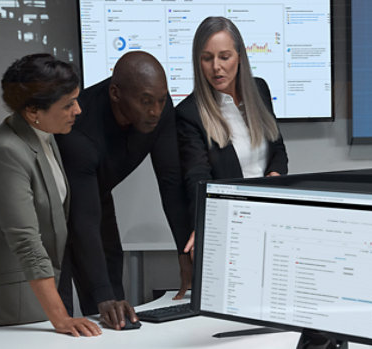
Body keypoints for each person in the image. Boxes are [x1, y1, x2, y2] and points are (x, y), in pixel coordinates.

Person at [0, 53, 101, 337]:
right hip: (9, 301)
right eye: (69, 104)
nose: (78, 110)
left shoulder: (42, 134)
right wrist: (62, 317)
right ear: (33, 111)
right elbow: (26, 241)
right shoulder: (6, 152)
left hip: (33, 292)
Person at [55, 51, 193, 329]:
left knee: (116, 308)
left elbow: (170, 182)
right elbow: (82, 220)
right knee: (63, 310)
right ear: (116, 93)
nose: (155, 111)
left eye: (161, 100)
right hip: (55, 210)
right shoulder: (80, 128)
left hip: (98, 196)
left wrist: (183, 254)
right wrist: (103, 296)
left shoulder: (160, 110)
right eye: (145, 101)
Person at [176, 16, 289, 254]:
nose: (216, 66)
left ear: (239, 56)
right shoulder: (189, 113)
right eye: (207, 58)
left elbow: (277, 148)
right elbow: (197, 177)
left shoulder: (259, 90)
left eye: (224, 57)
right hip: (231, 226)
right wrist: (202, 223)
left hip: (271, 217)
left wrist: (274, 177)